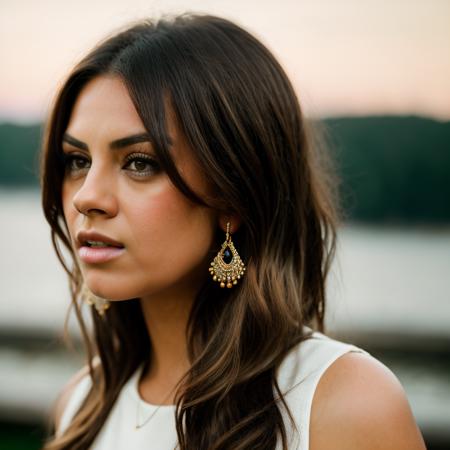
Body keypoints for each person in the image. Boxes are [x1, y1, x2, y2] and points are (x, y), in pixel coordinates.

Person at [40, 14, 426, 450]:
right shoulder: (81, 404)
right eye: (77, 160)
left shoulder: (344, 405)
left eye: (140, 162)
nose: (86, 197)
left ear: (232, 194)